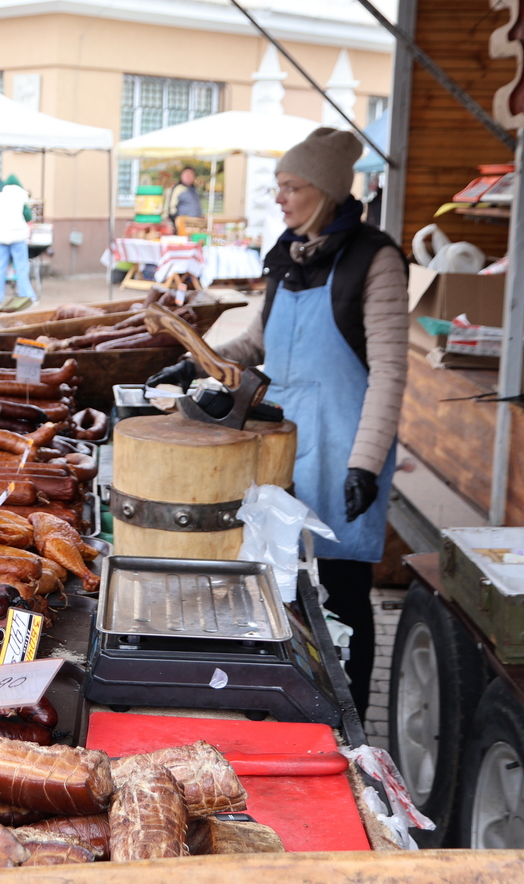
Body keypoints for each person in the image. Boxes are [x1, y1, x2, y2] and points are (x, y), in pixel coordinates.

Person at [147, 127, 406, 717]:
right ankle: (284, 703)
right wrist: (198, 361)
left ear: (327, 190)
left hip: (345, 439)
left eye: (292, 187)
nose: (281, 199)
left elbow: (391, 371)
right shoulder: (287, 254)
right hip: (279, 438)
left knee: (341, 592)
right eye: (278, 187)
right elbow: (258, 340)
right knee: (274, 578)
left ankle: (353, 717)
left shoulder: (376, 259)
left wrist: (364, 463)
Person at [0, 175, 36, 306]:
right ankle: (27, 296)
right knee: (21, 267)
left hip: (1, 237)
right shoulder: (21, 195)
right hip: (18, 237)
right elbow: (27, 215)